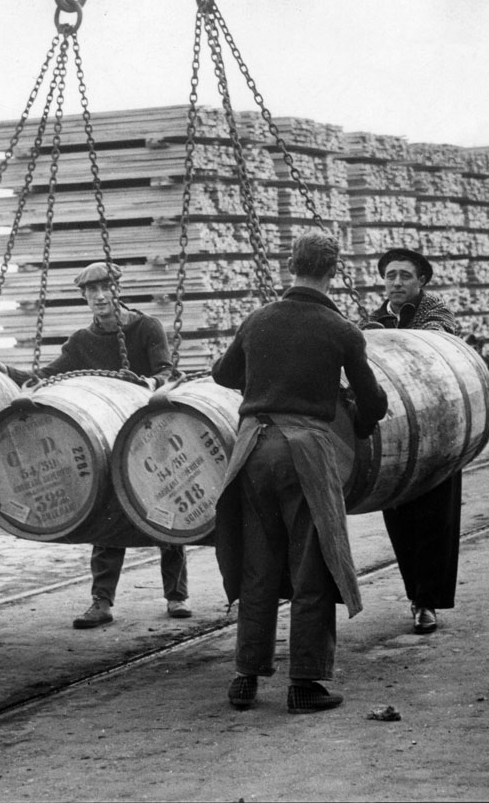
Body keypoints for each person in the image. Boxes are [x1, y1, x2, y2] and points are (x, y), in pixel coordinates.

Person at [211, 232, 389, 714]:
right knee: (312, 563)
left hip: (252, 448)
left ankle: (246, 677)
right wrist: (360, 415)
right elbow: (372, 401)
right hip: (304, 451)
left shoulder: (258, 319)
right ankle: (305, 683)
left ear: (290, 265)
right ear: (333, 272)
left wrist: (268, 379)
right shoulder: (342, 330)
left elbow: (223, 375)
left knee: (258, 564)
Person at [1, 261, 192, 629]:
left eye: (106, 288)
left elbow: (166, 370)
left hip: (148, 431)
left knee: (164, 502)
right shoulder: (82, 342)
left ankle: (176, 596)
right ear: (85, 296)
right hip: (108, 435)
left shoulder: (145, 328)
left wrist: (149, 384)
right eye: (92, 291)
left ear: (117, 289)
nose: (100, 296)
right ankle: (101, 601)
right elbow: (46, 376)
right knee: (108, 514)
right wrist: (4, 371)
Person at [362, 247, 464, 636]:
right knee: (400, 519)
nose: (397, 283)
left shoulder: (435, 313)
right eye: (390, 276)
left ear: (421, 281)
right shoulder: (375, 318)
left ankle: (429, 602)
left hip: (438, 429)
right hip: (400, 433)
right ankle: (414, 596)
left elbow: (432, 343)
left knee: (435, 519)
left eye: (405, 276)